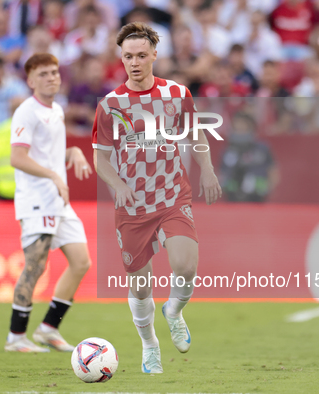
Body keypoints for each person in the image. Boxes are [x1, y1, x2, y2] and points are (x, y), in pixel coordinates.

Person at [92, 22, 222, 374]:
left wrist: (206, 168)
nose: (134, 62)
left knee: (186, 266)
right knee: (140, 286)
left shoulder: (177, 95)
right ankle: (150, 345)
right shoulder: (110, 105)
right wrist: (118, 185)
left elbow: (196, 134)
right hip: (132, 207)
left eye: (140, 56)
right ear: (121, 58)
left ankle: (175, 311)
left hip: (171, 196)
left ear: (154, 56)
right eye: (127, 56)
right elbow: (100, 158)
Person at [5, 53, 93, 353]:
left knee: (81, 262)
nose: (52, 77)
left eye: (54, 72)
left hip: (58, 199)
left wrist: (74, 154)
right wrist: (55, 177)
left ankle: (47, 329)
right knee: (36, 265)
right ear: (30, 81)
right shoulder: (26, 112)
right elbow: (17, 157)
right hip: (36, 200)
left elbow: (51, 152)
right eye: (43, 74)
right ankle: (16, 338)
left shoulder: (56, 109)